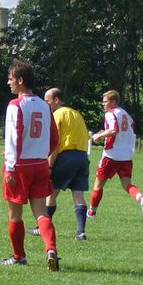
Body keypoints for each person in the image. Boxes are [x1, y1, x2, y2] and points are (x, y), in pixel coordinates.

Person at [0, 61, 60, 271]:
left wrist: (10, 167)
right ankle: (51, 249)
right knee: (41, 212)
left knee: (15, 215)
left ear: (20, 80)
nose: (8, 83)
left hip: (20, 166)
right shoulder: (45, 106)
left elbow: (12, 138)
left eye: (10, 78)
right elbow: (54, 139)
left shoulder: (15, 106)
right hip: (40, 165)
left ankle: (19, 257)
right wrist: (42, 154)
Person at [87, 90, 143, 219]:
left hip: (111, 155)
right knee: (127, 185)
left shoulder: (111, 114)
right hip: (126, 156)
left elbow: (114, 131)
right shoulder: (125, 114)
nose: (103, 104)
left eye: (105, 102)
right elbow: (129, 128)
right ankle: (141, 198)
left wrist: (99, 135)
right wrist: (105, 132)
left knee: (98, 184)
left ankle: (91, 212)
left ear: (113, 102)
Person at [40, 87, 90, 241]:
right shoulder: (77, 114)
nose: (45, 104)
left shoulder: (57, 115)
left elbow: (56, 143)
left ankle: (42, 227)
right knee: (78, 194)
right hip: (82, 157)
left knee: (51, 192)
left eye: (47, 101)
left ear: (56, 100)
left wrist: (49, 166)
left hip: (66, 156)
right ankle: (80, 232)